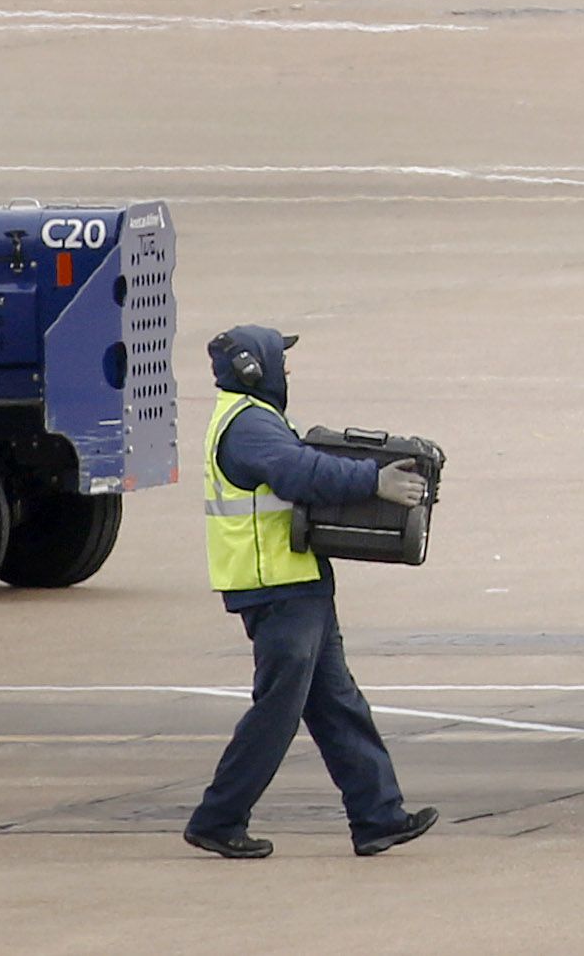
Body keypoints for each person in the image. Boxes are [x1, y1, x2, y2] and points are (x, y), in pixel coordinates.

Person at [184, 323, 440, 861]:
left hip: (297, 581)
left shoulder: (257, 419)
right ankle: (219, 817)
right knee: (278, 709)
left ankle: (378, 817)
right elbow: (299, 472)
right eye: (282, 359)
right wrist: (374, 484)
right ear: (255, 368)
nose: (289, 369)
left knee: (336, 704)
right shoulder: (249, 426)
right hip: (275, 588)